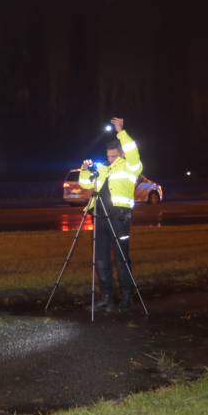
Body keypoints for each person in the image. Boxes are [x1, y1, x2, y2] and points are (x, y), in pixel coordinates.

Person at [78, 117, 142, 312]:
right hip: (99, 218)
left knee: (122, 258)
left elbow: (132, 151)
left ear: (121, 154)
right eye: (109, 155)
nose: (111, 159)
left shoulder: (131, 166)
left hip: (119, 217)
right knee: (101, 259)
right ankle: (107, 298)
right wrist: (85, 169)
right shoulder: (104, 169)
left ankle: (126, 297)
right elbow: (86, 184)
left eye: (114, 156)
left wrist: (121, 131)